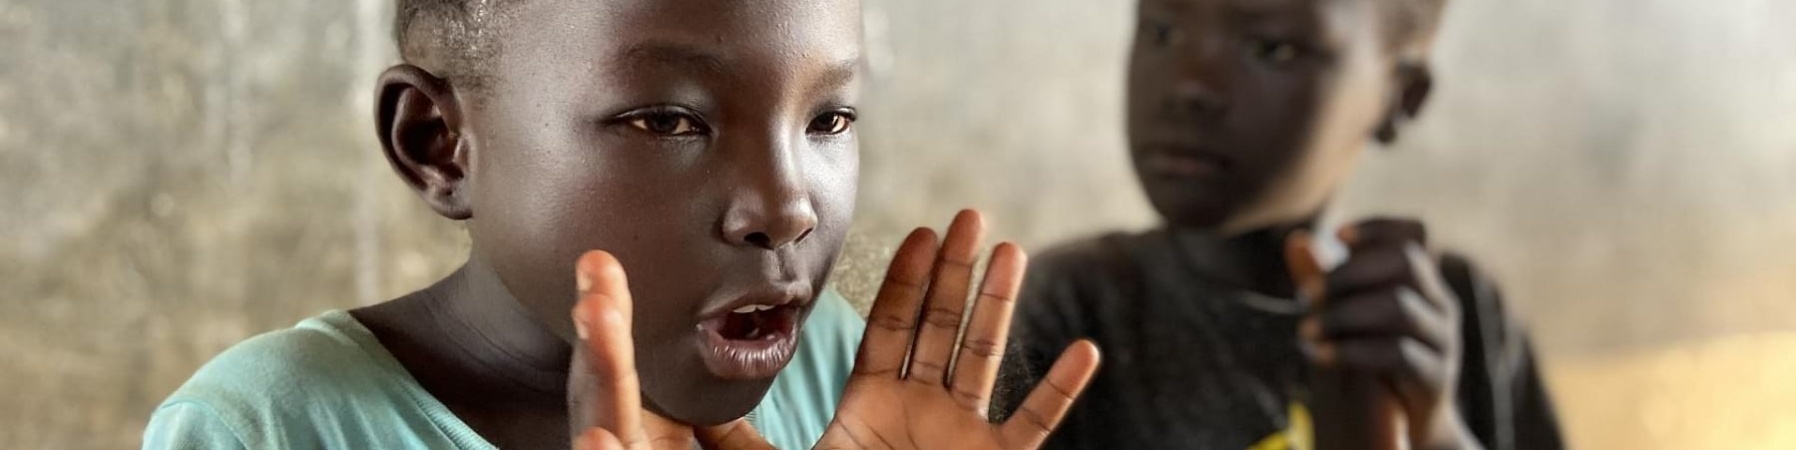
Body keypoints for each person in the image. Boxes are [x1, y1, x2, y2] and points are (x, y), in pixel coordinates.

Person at [142, 0, 1099, 448]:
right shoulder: (266, 426)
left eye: (828, 121)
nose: (787, 208)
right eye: (669, 120)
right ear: (440, 143)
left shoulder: (836, 374)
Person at [998, 0, 1563, 449]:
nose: (1189, 85)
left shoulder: (1454, 313)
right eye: (1162, 30)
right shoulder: (1069, 309)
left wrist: (1436, 433)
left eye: (1271, 47)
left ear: (1399, 97)